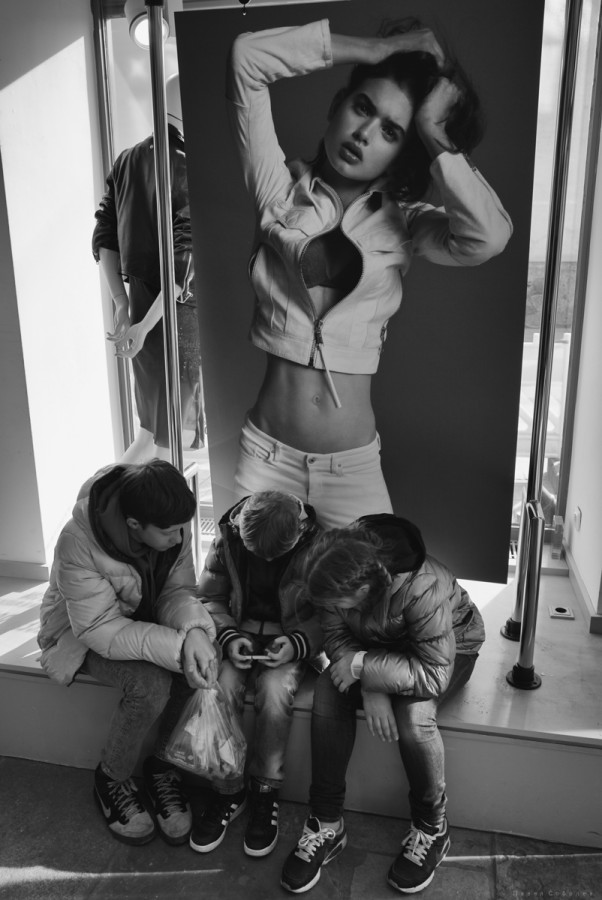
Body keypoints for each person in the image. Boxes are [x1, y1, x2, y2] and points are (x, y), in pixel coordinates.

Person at [226, 18, 513, 528]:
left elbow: (488, 238)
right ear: (338, 105)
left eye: (391, 131)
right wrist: (379, 50)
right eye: (362, 108)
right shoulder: (278, 191)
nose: (364, 134)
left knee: (371, 582)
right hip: (266, 460)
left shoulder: (407, 225)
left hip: (351, 470)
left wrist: (435, 135)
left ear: (403, 151)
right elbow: (247, 59)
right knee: (247, 581)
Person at [280, 513, 485, 894]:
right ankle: (326, 821)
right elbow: (335, 636)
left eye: (337, 602)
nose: (330, 607)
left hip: (448, 649)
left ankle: (432, 826)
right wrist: (370, 685)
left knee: (415, 716)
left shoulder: (422, 587)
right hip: (383, 648)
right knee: (329, 687)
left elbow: (433, 673)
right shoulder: (332, 569)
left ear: (364, 589)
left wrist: (363, 667)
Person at [37, 460, 218, 847]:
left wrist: (194, 630)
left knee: (195, 663)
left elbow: (176, 591)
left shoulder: (170, 524)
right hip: (78, 633)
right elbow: (98, 629)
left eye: (182, 528)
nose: (179, 537)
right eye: (169, 532)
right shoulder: (77, 541)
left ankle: (162, 768)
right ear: (134, 524)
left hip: (137, 620)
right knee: (150, 685)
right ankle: (112, 779)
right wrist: (179, 646)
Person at [191, 490, 325, 858]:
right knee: (222, 685)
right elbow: (209, 597)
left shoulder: (319, 546)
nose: (265, 561)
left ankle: (266, 790)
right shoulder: (228, 539)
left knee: (276, 690)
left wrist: (298, 643)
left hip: (291, 638)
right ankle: (227, 789)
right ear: (240, 529)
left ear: (299, 532)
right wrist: (228, 636)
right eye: (257, 554)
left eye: (274, 556)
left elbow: (329, 613)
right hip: (238, 630)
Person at [92, 74, 204, 463]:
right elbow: (183, 260)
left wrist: (123, 305)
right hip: (173, 314)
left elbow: (104, 237)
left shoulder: (126, 160)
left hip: (142, 305)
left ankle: (100, 496)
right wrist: (143, 326)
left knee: (153, 434)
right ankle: (101, 498)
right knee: (169, 443)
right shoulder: (185, 164)